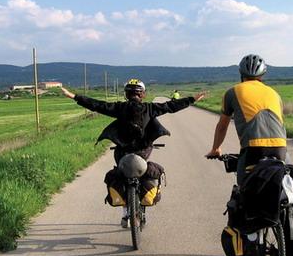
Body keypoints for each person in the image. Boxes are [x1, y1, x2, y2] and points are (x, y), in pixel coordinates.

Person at [61, 79, 206, 227]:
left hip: (122, 151)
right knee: (144, 173)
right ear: (142, 94)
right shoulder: (150, 108)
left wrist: (74, 96)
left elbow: (97, 105)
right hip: (143, 151)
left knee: (122, 174)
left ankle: (125, 213)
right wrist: (192, 99)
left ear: (126, 94)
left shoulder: (119, 108)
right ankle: (144, 198)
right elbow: (171, 106)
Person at [205, 54, 286, 185]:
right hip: (281, 147)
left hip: (253, 150)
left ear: (241, 74)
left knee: (244, 187)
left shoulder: (232, 92)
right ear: (262, 74)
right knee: (283, 180)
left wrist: (216, 149)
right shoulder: (274, 94)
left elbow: (222, 126)